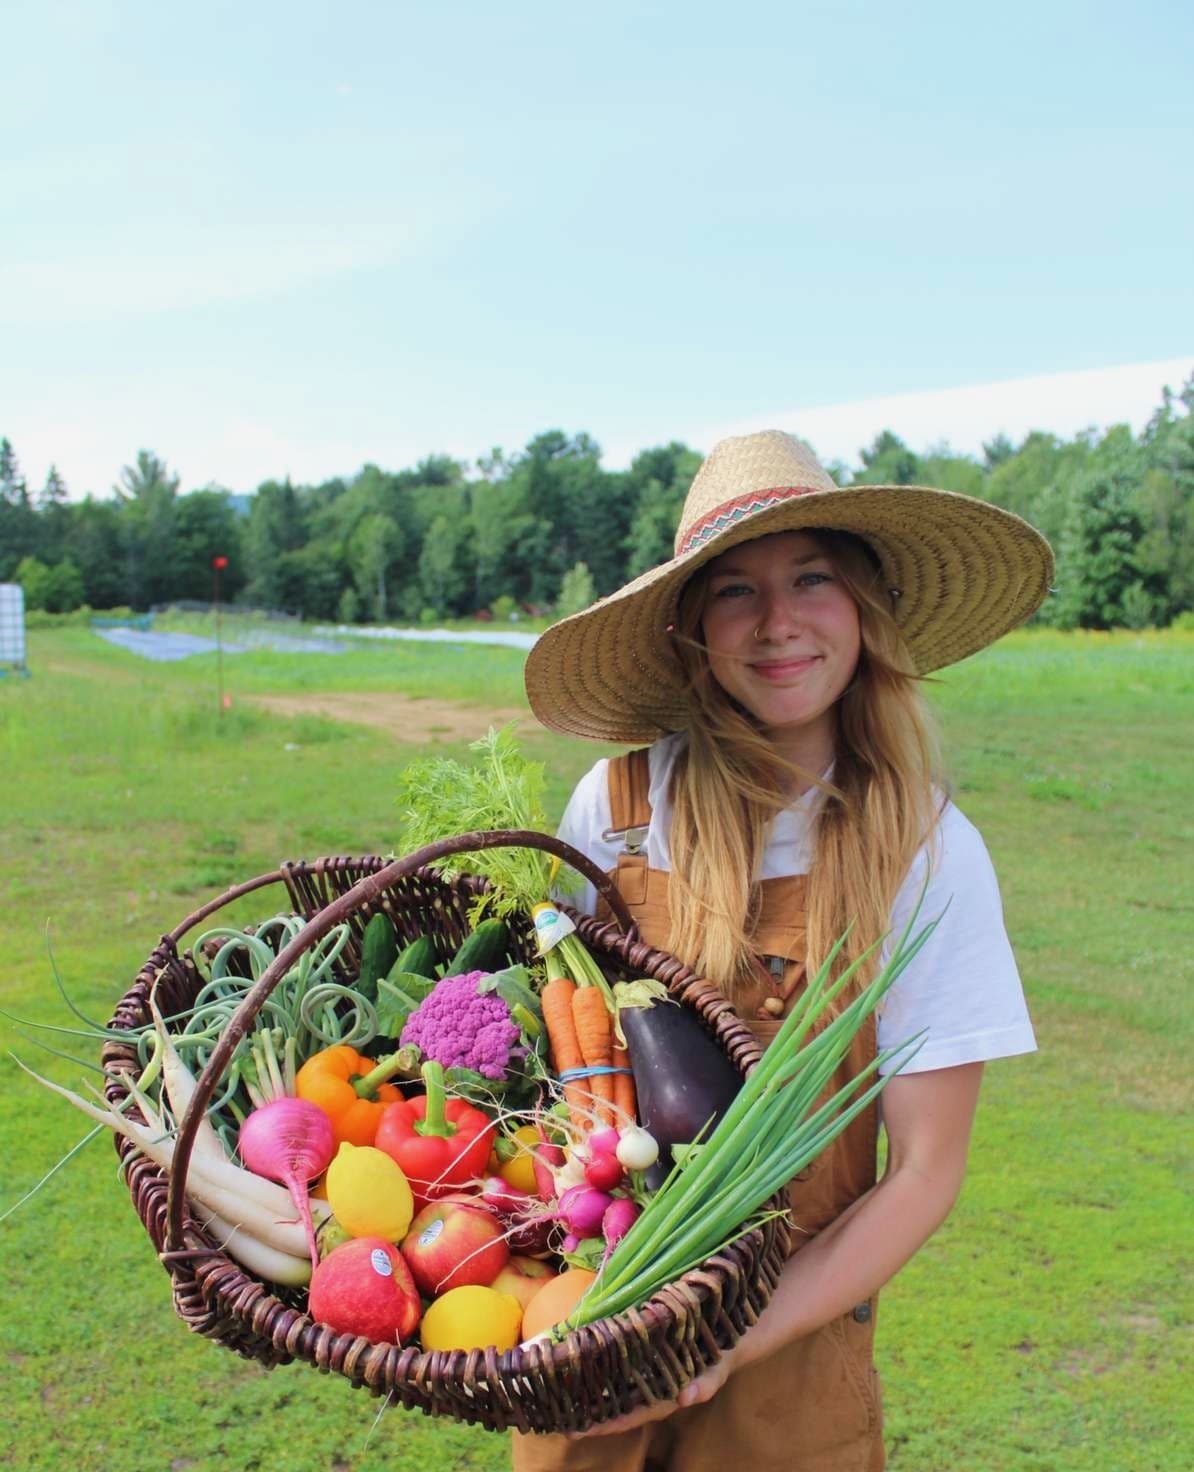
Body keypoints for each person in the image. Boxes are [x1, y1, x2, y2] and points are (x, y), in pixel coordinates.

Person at [515, 430, 1054, 1472]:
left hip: (790, 1363)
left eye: (811, 576)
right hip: (585, 1323)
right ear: (690, 627)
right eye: (733, 590)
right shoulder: (618, 809)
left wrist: (725, 1338)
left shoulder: (927, 854)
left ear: (861, 608)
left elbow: (925, 1172)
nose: (776, 623)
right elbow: (551, 1073)